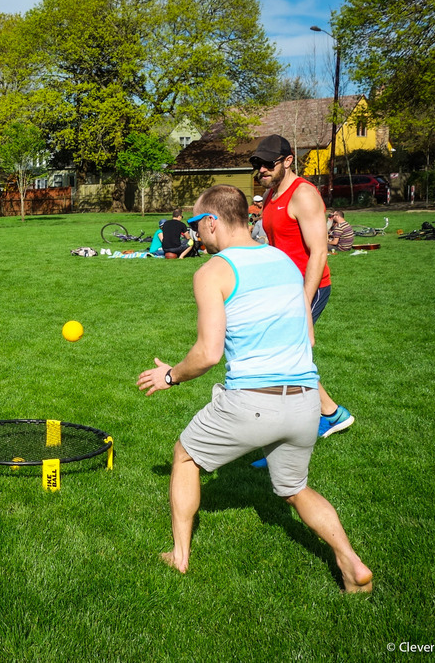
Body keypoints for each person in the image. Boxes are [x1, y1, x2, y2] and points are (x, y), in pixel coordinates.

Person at [136, 184, 372, 593]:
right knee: (295, 489)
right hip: (304, 404)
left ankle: (179, 555)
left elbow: (208, 353)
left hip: (251, 403)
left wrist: (170, 375)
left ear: (211, 221)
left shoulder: (212, 271)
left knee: (185, 456)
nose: (194, 233)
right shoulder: (283, 260)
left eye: (195, 224)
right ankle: (351, 562)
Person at [251, 134, 354, 440]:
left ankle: (328, 414)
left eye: (268, 163)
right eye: (257, 164)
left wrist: (303, 304)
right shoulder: (270, 196)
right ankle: (328, 414)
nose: (262, 170)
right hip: (284, 289)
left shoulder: (304, 195)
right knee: (281, 354)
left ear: (287, 160)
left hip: (309, 287)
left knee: (284, 355)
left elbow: (319, 251)